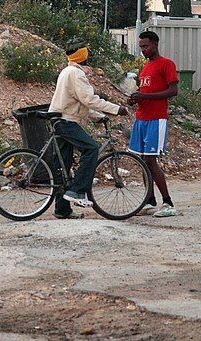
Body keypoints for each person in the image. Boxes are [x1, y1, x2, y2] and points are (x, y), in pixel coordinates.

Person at [49, 44, 128, 219]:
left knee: (64, 166)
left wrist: (97, 116)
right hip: (67, 122)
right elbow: (89, 99)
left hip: (59, 120)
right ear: (82, 58)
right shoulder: (77, 73)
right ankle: (77, 191)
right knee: (91, 148)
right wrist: (116, 109)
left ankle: (62, 210)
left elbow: (78, 102)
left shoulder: (66, 71)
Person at [128, 31, 179, 218]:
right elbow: (145, 90)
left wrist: (145, 96)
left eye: (146, 46)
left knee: (151, 159)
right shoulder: (145, 68)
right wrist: (136, 99)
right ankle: (149, 200)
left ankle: (168, 202)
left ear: (155, 45)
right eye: (141, 47)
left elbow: (173, 91)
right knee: (142, 160)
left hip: (156, 119)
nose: (143, 50)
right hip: (141, 118)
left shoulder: (166, 64)